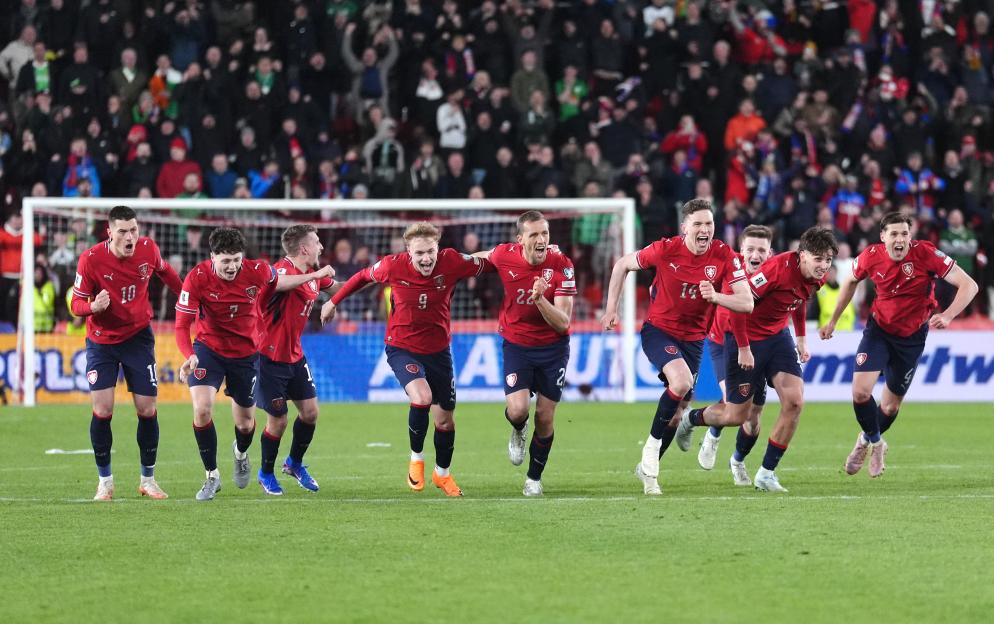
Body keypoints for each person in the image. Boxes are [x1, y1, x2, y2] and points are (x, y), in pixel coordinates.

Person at [324, 222, 490, 497]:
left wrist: (526, 253)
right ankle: (416, 459)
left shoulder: (452, 262)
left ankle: (443, 475)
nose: (426, 258)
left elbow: (491, 260)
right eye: (420, 253)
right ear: (408, 251)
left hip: (439, 351)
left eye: (430, 252)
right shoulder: (392, 265)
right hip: (402, 347)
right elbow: (362, 277)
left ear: (438, 248)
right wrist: (333, 302)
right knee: (422, 397)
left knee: (445, 421)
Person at [601, 198, 753, 496]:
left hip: (694, 340)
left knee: (676, 412)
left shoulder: (724, 255)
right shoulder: (665, 248)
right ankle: (650, 449)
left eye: (709, 223)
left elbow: (746, 302)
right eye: (697, 224)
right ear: (685, 228)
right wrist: (611, 309)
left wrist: (716, 297)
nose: (704, 229)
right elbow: (621, 265)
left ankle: (648, 470)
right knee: (681, 382)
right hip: (659, 331)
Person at [676, 227, 839, 492]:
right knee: (736, 415)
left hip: (777, 338)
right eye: (818, 259)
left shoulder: (816, 276)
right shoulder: (776, 270)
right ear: (802, 255)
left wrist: (800, 338)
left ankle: (766, 473)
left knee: (795, 402)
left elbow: (799, 299)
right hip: (743, 337)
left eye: (828, 259)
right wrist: (743, 348)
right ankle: (691, 418)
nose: (824, 265)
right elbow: (741, 306)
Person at [174, 228, 331, 501]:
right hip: (208, 350)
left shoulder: (257, 270)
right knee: (202, 409)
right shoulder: (197, 278)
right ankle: (211, 476)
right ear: (212, 257)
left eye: (236, 259)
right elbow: (180, 325)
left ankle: (241, 453)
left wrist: (317, 278)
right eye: (225, 261)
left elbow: (280, 281)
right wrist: (188, 353)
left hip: (246, 354)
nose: (232, 266)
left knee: (246, 425)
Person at [819, 212, 978, 477]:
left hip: (911, 338)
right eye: (894, 234)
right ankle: (877, 443)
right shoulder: (871, 255)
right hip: (878, 331)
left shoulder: (926, 253)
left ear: (910, 236)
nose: (900, 239)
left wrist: (948, 315)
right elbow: (850, 281)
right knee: (860, 393)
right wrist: (833, 320)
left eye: (904, 233)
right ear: (883, 237)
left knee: (890, 406)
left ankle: (864, 440)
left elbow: (969, 285)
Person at [69, 205, 184, 501]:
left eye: (134, 229)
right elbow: (76, 304)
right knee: (103, 410)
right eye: (123, 231)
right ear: (110, 232)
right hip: (102, 341)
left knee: (147, 409)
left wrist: (187, 299)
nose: (130, 236)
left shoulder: (148, 249)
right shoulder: (91, 259)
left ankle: (148, 479)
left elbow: (167, 273)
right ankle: (105, 482)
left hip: (138, 338)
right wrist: (93, 307)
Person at [474, 211, 577, 496]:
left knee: (545, 416)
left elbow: (563, 323)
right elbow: (478, 258)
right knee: (518, 410)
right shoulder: (505, 255)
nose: (541, 239)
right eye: (534, 234)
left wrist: (540, 299)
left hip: (553, 350)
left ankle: (534, 478)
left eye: (544, 233)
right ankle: (518, 429)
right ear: (520, 240)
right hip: (517, 345)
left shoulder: (562, 265)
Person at [683, 225, 774, 484]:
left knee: (754, 417)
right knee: (732, 401)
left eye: (761, 250)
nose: (755, 255)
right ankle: (712, 434)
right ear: (741, 250)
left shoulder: (773, 273)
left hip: (756, 343)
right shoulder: (728, 265)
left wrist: (799, 337)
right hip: (722, 341)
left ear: (770, 253)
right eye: (750, 249)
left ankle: (738, 461)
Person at [253, 225, 339, 495]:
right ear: (304, 248)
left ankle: (294, 464)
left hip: (294, 355)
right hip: (268, 357)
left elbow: (336, 287)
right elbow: (278, 284)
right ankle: (266, 473)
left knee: (311, 413)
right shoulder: (280, 271)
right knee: (278, 421)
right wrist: (316, 274)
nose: (321, 247)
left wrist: (372, 277)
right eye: (317, 242)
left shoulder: (311, 276)